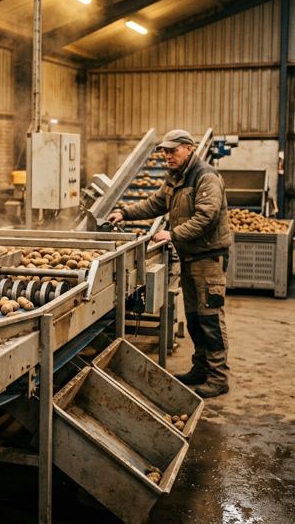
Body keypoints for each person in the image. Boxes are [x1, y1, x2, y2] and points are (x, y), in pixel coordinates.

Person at [108, 129, 232, 398]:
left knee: (210, 318)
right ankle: (201, 369)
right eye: (164, 151)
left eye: (173, 150)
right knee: (195, 318)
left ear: (189, 148)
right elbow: (156, 204)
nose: (167, 156)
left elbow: (206, 217)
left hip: (207, 258)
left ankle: (219, 377)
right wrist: (125, 213)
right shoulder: (176, 178)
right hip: (190, 257)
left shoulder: (205, 176)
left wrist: (172, 234)